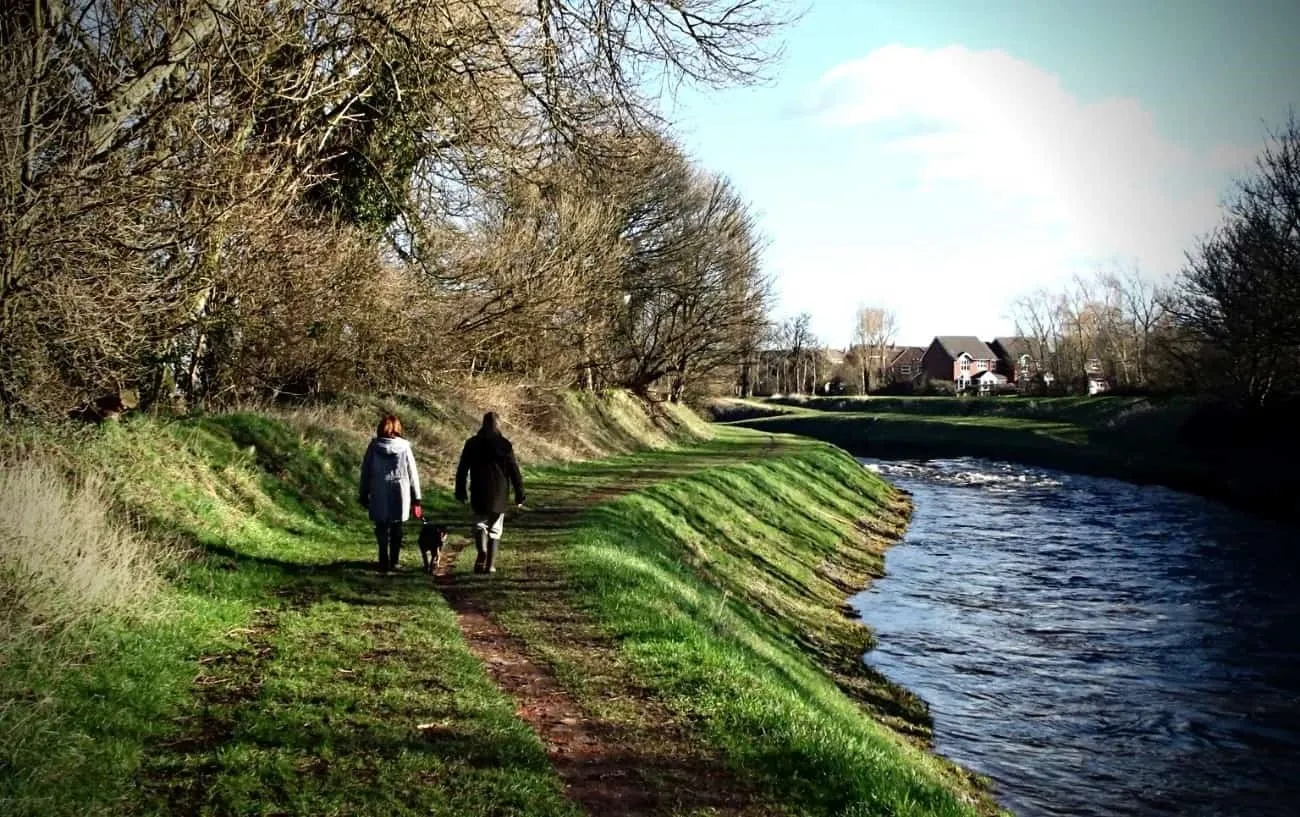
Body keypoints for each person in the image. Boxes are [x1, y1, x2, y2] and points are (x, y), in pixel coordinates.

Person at [455, 411, 526, 574]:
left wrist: (460, 490)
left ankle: (482, 551)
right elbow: (514, 471)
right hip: (500, 493)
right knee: (495, 529)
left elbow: (462, 469)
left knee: (480, 524)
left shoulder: (472, 443)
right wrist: (519, 494)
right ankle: (490, 565)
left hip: (479, 490)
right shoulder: (505, 445)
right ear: (498, 425)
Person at [359, 415, 422, 573]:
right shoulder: (405, 447)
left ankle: (383, 558)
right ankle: (394, 561)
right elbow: (412, 473)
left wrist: (364, 492)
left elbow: (366, 471)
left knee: (381, 526)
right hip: (399, 490)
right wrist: (417, 498)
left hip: (379, 489)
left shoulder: (374, 447)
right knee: (397, 526)